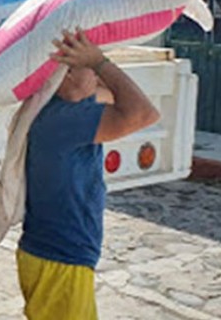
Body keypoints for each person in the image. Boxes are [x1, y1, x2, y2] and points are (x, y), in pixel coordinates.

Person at [16, 29, 161, 319]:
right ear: (64, 75)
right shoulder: (67, 119)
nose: (96, 78)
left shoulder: (56, 109)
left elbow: (112, 97)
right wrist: (100, 61)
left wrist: (93, 63)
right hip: (61, 261)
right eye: (88, 71)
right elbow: (144, 113)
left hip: (51, 256)